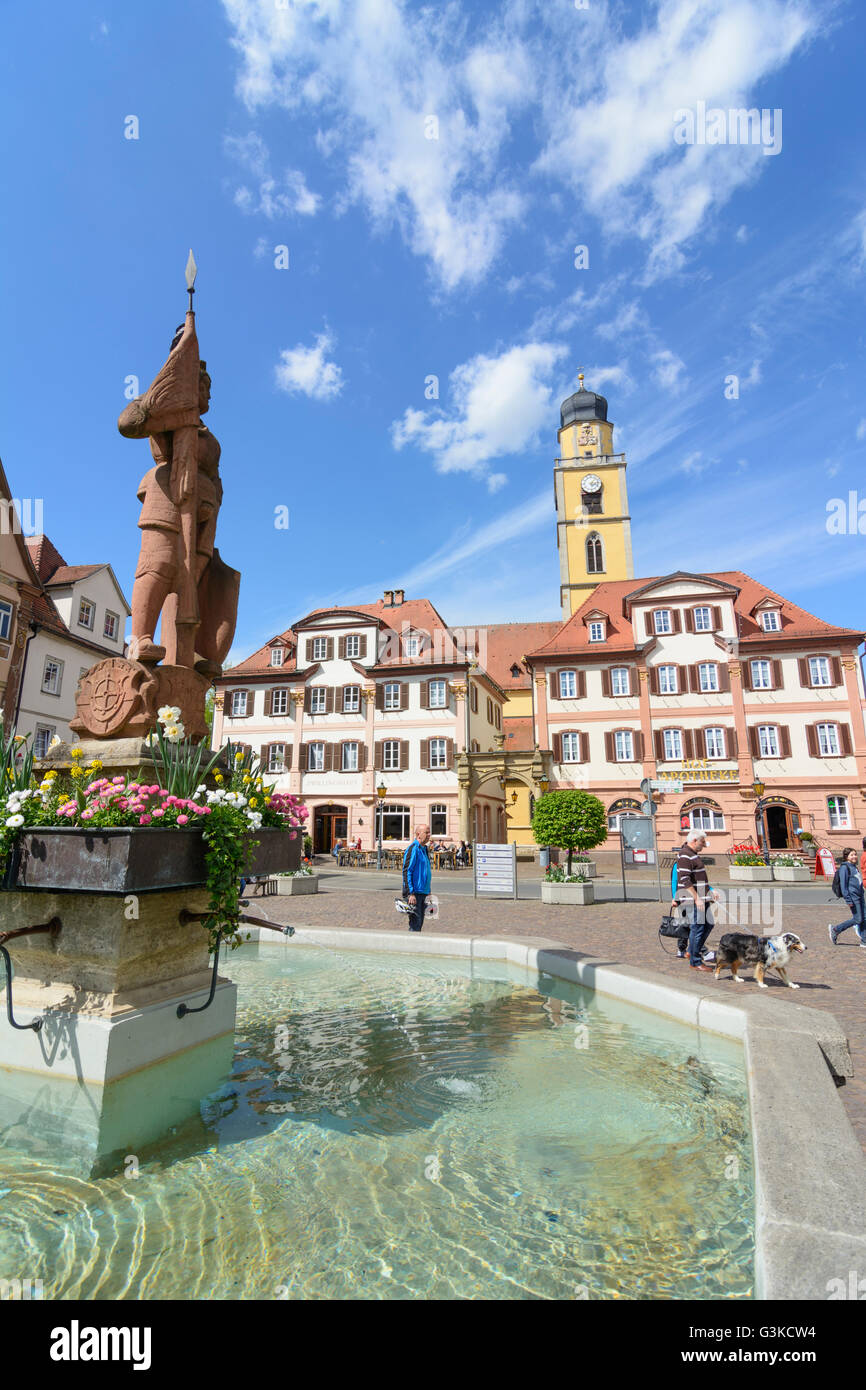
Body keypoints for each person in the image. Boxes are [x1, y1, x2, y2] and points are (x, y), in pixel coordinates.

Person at [675, 831, 719, 972]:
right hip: (693, 900)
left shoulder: (692, 854)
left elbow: (698, 878)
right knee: (698, 928)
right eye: (702, 842)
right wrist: (696, 898)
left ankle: (692, 950)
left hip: (701, 898)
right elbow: (685, 880)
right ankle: (695, 961)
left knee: (708, 924)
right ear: (694, 840)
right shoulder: (684, 855)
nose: (704, 845)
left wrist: (709, 890)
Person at [829, 848, 866, 946]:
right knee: (858, 919)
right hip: (853, 898)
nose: (854, 856)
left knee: (864, 918)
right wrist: (848, 900)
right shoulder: (844, 868)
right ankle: (836, 929)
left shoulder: (854, 867)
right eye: (851, 855)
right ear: (846, 857)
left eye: (855, 854)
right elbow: (844, 886)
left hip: (860, 896)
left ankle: (864, 941)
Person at [402, 824, 432, 932]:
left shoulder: (424, 849)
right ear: (418, 834)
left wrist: (428, 891)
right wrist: (410, 893)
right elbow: (406, 871)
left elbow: (425, 872)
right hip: (414, 894)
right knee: (415, 923)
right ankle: (412, 946)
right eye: (427, 833)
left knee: (420, 923)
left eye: (429, 832)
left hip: (423, 892)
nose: (429, 835)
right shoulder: (413, 849)